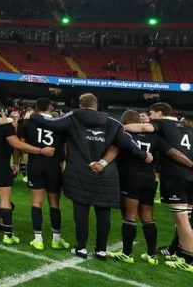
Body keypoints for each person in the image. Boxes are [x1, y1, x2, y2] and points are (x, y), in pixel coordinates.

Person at [27, 93, 151, 260]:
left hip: (80, 173)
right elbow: (128, 143)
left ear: (80, 104)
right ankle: (101, 250)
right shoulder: (112, 123)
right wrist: (144, 156)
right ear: (96, 104)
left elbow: (51, 122)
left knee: (81, 212)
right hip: (106, 174)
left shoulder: (73, 118)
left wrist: (33, 115)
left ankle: (81, 248)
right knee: (103, 213)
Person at [111, 110, 191, 264]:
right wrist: (190, 164)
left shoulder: (124, 135)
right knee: (148, 216)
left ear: (124, 120)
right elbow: (173, 152)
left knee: (130, 215)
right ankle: (151, 255)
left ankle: (127, 254)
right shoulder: (155, 137)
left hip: (131, 178)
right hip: (150, 180)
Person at [0, 98, 49, 244]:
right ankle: (8, 235)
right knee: (4, 199)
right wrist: (39, 150)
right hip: (0, 162)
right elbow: (16, 144)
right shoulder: (5, 124)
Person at [16, 99, 68, 250]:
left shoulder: (28, 122)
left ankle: (38, 239)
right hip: (54, 165)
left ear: (36, 108)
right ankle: (56, 239)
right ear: (51, 108)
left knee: (36, 202)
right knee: (54, 203)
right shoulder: (59, 124)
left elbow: (21, 145)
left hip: (35, 164)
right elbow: (64, 148)